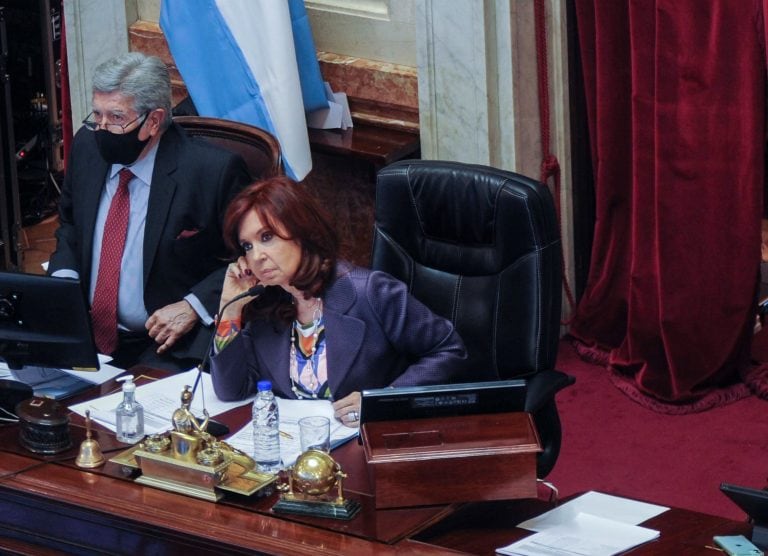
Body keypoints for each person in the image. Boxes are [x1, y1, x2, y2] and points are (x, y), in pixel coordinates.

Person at [210, 177, 467, 427]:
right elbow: (232, 390)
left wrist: (384, 400)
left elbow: (448, 350)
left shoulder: (370, 292)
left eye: (266, 237)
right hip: (293, 449)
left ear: (302, 231)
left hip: (364, 443)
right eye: (247, 246)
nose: (257, 256)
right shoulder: (267, 306)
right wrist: (231, 308)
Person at [48, 52, 250, 371]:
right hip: (84, 332)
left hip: (168, 344)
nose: (101, 129)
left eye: (115, 118)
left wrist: (192, 307)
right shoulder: (87, 148)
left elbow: (251, 259)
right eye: (96, 116)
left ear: (153, 121)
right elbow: (70, 225)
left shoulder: (211, 172)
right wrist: (62, 285)